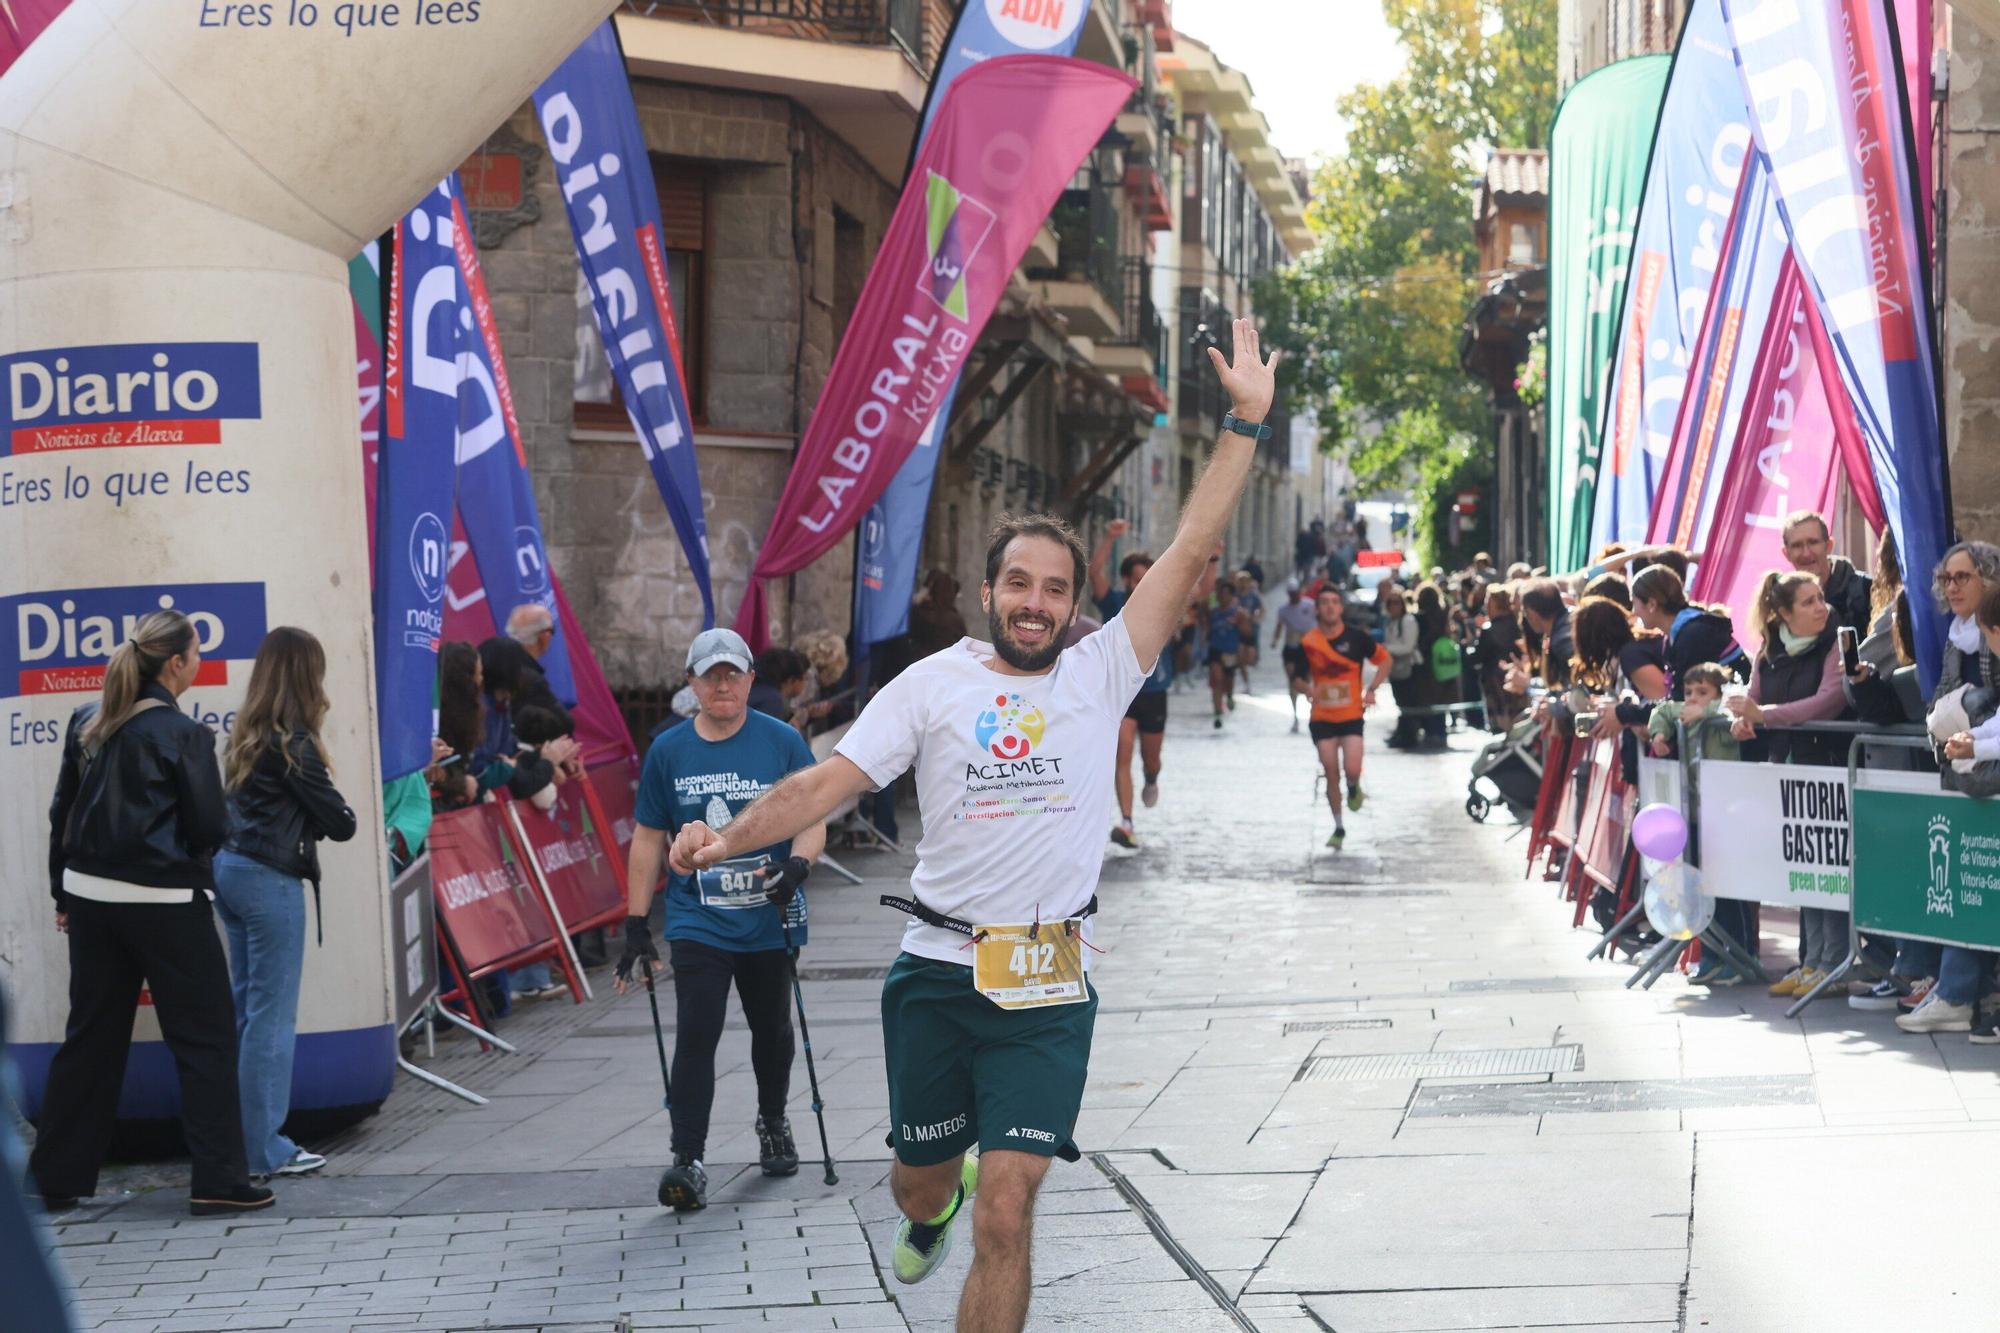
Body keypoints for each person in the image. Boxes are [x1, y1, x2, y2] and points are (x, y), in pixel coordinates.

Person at [663, 319, 1278, 1332]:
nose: (1034, 604)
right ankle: (928, 1198)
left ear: (1075, 604)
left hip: (1046, 979)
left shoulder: (1101, 669)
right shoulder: (931, 684)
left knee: (1008, 1206)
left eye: (1054, 589)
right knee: (924, 1184)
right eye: (1018, 584)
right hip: (935, 978)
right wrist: (723, 839)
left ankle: (968, 1214)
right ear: (988, 590)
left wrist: (1243, 421)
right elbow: (826, 784)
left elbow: (1189, 546)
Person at [31, 611, 273, 1217]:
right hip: (166, 905)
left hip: (90, 901)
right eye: (196, 653)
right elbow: (210, 827)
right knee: (205, 1039)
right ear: (175, 663)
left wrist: (64, 895)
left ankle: (52, 1180)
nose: (198, 663)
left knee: (90, 1038)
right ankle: (219, 1179)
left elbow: (62, 817)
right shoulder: (184, 734)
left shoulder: (86, 721)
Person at [613, 628, 824, 1211]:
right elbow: (648, 837)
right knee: (697, 1032)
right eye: (711, 675)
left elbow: (813, 815)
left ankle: (774, 1120)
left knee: (772, 1031)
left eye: (733, 674)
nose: (723, 684)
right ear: (691, 684)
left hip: (767, 915)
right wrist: (636, 923)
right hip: (697, 918)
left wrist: (799, 866)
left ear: (751, 679)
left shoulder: (781, 742)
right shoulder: (669, 750)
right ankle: (688, 1158)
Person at [212, 627, 357, 1181]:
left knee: (248, 1012)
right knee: (271, 1020)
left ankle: (242, 1141)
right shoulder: (295, 745)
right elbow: (340, 823)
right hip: (270, 880)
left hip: (229, 870)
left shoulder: (244, 735)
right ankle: (265, 1149)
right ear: (306, 677)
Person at [1724, 570, 1852, 998]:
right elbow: (1757, 702)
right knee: (1805, 869)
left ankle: (1833, 961)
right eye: (1808, 602)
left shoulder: (1836, 642)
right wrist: (1745, 722)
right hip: (1788, 768)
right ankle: (1811, 960)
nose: (1821, 608)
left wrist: (1766, 716)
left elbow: (1829, 702)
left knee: (1830, 870)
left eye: (1821, 598)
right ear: (1782, 613)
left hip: (1827, 766)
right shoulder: (1769, 650)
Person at [1895, 541, 2000, 1035]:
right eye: (1946, 579)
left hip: (1989, 777)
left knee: (1976, 889)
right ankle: (1959, 992)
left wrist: (1972, 736)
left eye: (1962, 577)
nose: (1952, 587)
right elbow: (1942, 698)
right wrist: (1953, 733)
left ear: (1989, 579)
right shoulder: (1959, 635)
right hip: (1967, 775)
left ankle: (1960, 993)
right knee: (1967, 885)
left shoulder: (1991, 636)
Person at [1089, 520, 1173, 849]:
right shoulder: (1114, 605)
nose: (1141, 585)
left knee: (1150, 758)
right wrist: (1109, 537)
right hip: (1123, 693)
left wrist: (1209, 561)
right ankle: (1126, 821)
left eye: (1146, 579)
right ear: (1127, 580)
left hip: (1155, 693)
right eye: (1136, 579)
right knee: (1121, 752)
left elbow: (1200, 594)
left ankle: (1152, 777)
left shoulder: (1164, 607)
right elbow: (1095, 573)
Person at [1292, 585, 1390, 849]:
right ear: (1317, 609)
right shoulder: (1308, 642)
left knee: (1352, 768)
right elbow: (1297, 679)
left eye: (1334, 602)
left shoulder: (1357, 638)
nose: (1330, 607)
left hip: (1351, 716)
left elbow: (1385, 660)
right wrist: (1307, 688)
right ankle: (1338, 826)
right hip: (1322, 718)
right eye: (1324, 602)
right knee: (1330, 772)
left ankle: (1355, 786)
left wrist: (1371, 690)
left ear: (1341, 608)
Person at [1629, 565, 1747, 696]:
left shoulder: (1692, 635)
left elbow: (1682, 699)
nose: (1633, 612)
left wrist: (1622, 712)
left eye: (1634, 603)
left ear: (1651, 604)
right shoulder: (1678, 634)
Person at [1782, 509, 1873, 635]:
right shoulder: (1782, 602)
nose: (1806, 553)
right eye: (1797, 545)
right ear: (1786, 554)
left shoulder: (1867, 591)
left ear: (1829, 546)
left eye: (1813, 542)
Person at [1647, 663, 1740, 761]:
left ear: (1720, 695)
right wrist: (1658, 734)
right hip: (1693, 774)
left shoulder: (1725, 708)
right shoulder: (1685, 710)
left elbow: (1732, 707)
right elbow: (1662, 711)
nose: (1693, 698)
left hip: (1725, 774)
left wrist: (1704, 711)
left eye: (1702, 693)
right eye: (1688, 692)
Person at [1476, 584, 1525, 732]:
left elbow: (1477, 656)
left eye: (1487, 601)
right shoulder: (1518, 624)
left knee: (1500, 719)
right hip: (1516, 676)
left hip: (1495, 680)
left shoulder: (1489, 629)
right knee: (1516, 716)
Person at [1273, 577, 1318, 733]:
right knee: (1292, 680)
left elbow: (1319, 621)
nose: (1294, 596)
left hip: (1308, 649)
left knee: (1308, 679)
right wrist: (1275, 639)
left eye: (1295, 592)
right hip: (1291, 649)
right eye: (1291, 593)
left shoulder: (1310, 605)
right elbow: (1279, 626)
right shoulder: (1283, 610)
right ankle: (1296, 716)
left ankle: (1314, 710)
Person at [1378, 585, 1421, 747]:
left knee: (1408, 703)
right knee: (1401, 702)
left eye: (1397, 603)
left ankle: (1409, 735)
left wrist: (1387, 648)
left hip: (1408, 668)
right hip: (1395, 668)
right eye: (1390, 603)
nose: (1393, 606)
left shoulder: (1408, 621)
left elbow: (1408, 646)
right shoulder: (1390, 623)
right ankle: (1402, 733)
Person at [1206, 579, 1252, 728]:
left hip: (1230, 651)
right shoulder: (1213, 613)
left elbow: (1247, 633)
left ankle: (1230, 696)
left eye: (1226, 594)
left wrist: (1238, 623)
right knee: (1216, 679)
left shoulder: (1238, 613)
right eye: (1221, 593)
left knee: (1228, 680)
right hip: (1215, 649)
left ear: (1232, 596)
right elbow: (1206, 628)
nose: (1223, 596)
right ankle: (1217, 712)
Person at [749, 648, 810, 721]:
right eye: (805, 679)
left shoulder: (752, 680)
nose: (805, 684)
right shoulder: (771, 701)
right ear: (791, 680)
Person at [1233, 569, 1265, 693]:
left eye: (1245, 581)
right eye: (1240, 581)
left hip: (1251, 630)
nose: (1242, 584)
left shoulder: (1253, 596)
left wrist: (1256, 618)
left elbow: (1262, 609)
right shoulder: (1234, 596)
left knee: (1250, 659)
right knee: (1241, 660)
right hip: (1237, 631)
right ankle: (1246, 683)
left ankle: (1248, 677)